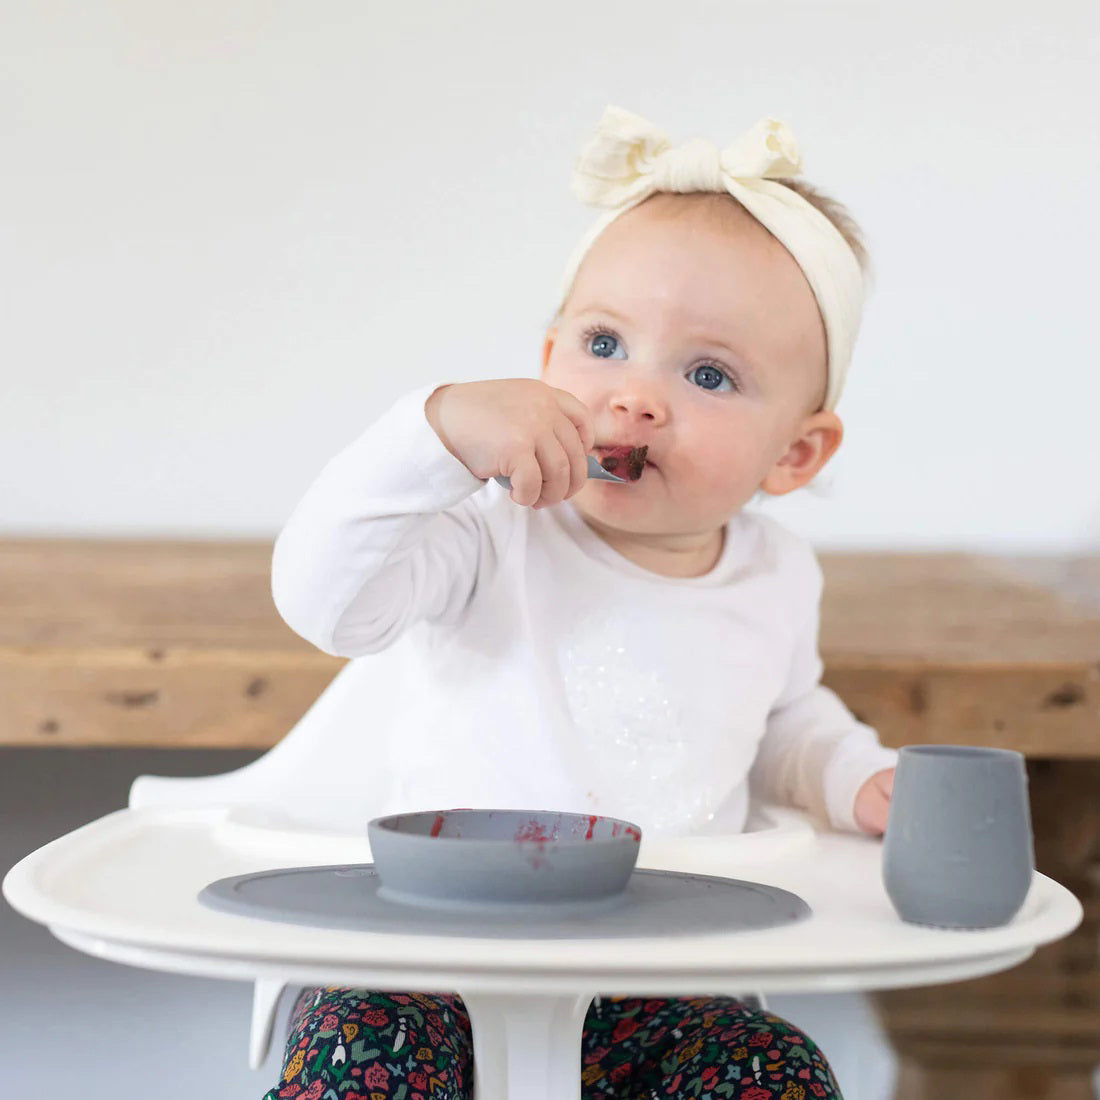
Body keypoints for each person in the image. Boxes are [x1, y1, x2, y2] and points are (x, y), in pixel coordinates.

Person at [262, 106, 898, 1100]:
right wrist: (431, 435)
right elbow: (322, 601)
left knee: (774, 1071)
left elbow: (780, 723)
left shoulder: (775, 575)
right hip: (432, 957)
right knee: (361, 1050)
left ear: (794, 452)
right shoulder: (488, 527)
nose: (635, 397)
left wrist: (851, 772)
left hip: (667, 977)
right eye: (604, 342)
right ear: (547, 355)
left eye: (706, 373)